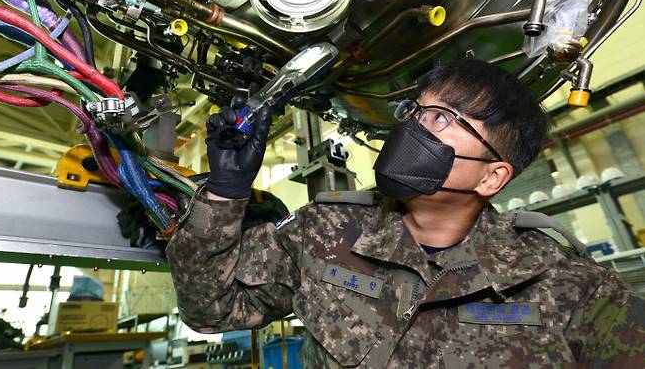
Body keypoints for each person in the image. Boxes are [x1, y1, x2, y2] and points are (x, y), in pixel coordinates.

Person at [166, 59, 645, 368]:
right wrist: (226, 192)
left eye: (443, 120)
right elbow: (211, 310)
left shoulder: (568, 285)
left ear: (491, 178)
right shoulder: (326, 232)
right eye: (417, 112)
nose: (416, 129)